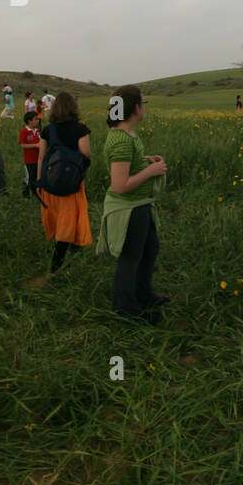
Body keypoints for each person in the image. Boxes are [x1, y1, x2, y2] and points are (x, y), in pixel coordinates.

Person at [98, 85, 170, 322]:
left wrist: (145, 161)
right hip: (129, 208)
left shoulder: (127, 135)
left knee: (150, 250)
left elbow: (129, 165)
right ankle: (126, 309)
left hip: (140, 204)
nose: (144, 107)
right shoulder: (121, 141)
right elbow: (120, 185)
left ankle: (144, 294)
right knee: (131, 258)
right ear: (136, 108)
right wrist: (151, 171)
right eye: (143, 102)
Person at [34, 93, 95, 277]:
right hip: (71, 185)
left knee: (60, 219)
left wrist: (39, 182)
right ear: (73, 107)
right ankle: (56, 265)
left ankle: (73, 252)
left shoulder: (47, 130)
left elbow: (41, 157)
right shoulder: (81, 129)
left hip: (51, 184)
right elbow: (86, 155)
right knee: (70, 220)